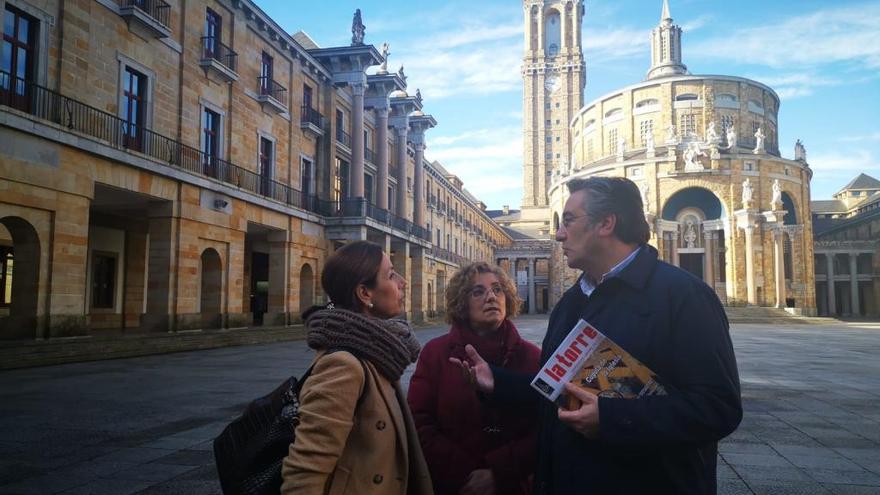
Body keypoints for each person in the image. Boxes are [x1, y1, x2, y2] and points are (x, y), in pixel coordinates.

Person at [453, 177, 742, 494]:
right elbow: (559, 386)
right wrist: (499, 382)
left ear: (606, 223)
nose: (559, 233)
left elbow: (718, 408)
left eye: (569, 220)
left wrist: (612, 418)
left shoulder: (683, 296)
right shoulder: (570, 303)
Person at [281, 240, 433, 495]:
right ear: (365, 293)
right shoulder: (343, 365)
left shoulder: (378, 351)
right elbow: (305, 472)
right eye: (391, 274)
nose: (403, 282)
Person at [408, 262, 540, 495]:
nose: (491, 296)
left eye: (498, 289)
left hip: (515, 486)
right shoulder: (436, 353)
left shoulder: (533, 356)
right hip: (453, 485)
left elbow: (546, 427)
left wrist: (499, 473)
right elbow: (419, 422)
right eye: (478, 291)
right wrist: (468, 474)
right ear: (462, 302)